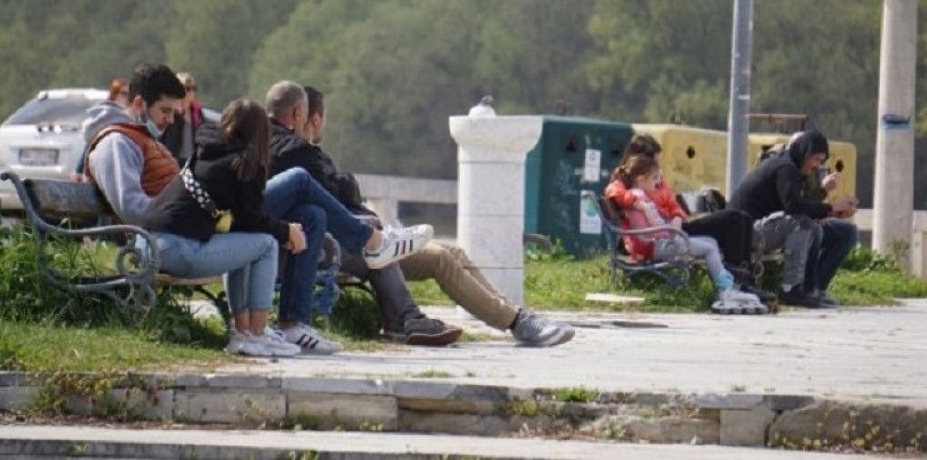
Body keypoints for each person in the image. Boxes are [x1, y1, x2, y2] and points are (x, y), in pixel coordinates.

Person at [83, 63, 433, 354]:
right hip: (177, 233)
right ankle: (372, 242)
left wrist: (199, 205)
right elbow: (134, 209)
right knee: (297, 181)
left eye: (175, 112)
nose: (172, 121)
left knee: (312, 216)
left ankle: (294, 324)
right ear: (140, 103)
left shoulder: (147, 138)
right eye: (165, 112)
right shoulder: (117, 141)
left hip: (198, 222)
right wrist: (195, 207)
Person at [268, 84, 574, 347]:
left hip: (353, 240)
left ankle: (516, 315)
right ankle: (513, 322)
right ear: (309, 116)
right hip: (344, 246)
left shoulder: (300, 153)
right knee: (441, 258)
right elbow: (331, 206)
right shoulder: (299, 154)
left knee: (454, 251)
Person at [140, 99, 301, 357]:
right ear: (261, 133)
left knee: (249, 242)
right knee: (267, 244)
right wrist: (286, 231)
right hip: (177, 248)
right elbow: (252, 219)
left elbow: (245, 223)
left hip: (146, 244)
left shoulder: (208, 149)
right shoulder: (245, 161)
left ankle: (242, 334)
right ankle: (256, 336)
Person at [608, 134, 774, 303]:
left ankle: (744, 281)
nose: (658, 167)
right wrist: (637, 203)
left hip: (675, 227)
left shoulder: (657, 180)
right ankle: (736, 283)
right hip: (661, 235)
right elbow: (614, 192)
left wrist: (678, 216)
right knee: (734, 220)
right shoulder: (628, 182)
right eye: (656, 162)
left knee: (743, 217)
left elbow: (673, 204)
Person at [728, 130, 857, 308]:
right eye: (816, 160)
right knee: (804, 225)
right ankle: (791, 288)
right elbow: (794, 207)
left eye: (821, 162)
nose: (817, 166)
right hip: (748, 232)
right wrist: (831, 207)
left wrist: (831, 213)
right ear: (804, 152)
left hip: (771, 226)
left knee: (846, 231)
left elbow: (800, 206)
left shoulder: (797, 170)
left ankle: (814, 290)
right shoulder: (785, 168)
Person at [70, 77, 129, 182]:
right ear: (114, 95)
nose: (127, 98)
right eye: (124, 93)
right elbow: (90, 141)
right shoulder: (106, 116)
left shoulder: (130, 117)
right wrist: (78, 170)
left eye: (130, 94)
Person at [162, 72, 206, 165]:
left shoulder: (197, 112)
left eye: (193, 88)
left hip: (192, 162)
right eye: (187, 88)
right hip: (172, 161)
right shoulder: (170, 110)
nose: (191, 92)